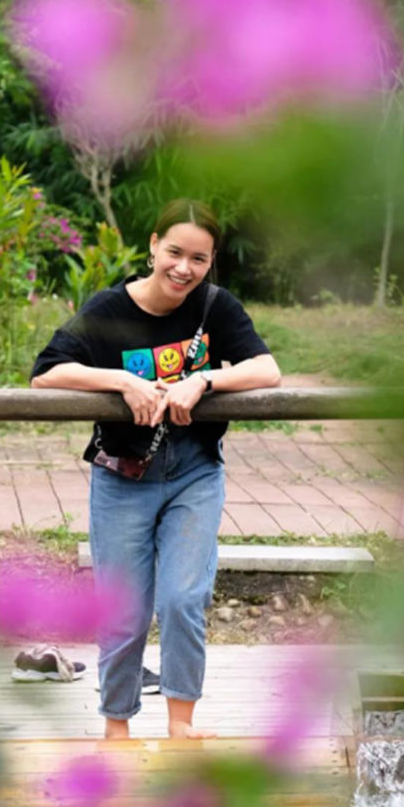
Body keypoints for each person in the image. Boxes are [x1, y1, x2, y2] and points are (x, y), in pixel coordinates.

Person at [30, 199, 281, 739]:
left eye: (199, 258)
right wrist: (122, 381)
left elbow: (267, 369)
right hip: (124, 476)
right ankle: (117, 730)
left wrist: (204, 380)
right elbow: (46, 373)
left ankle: (181, 726)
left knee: (184, 598)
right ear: (152, 246)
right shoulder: (109, 309)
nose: (184, 269)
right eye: (174, 252)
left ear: (210, 262)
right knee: (124, 610)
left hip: (195, 472)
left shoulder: (215, 307)